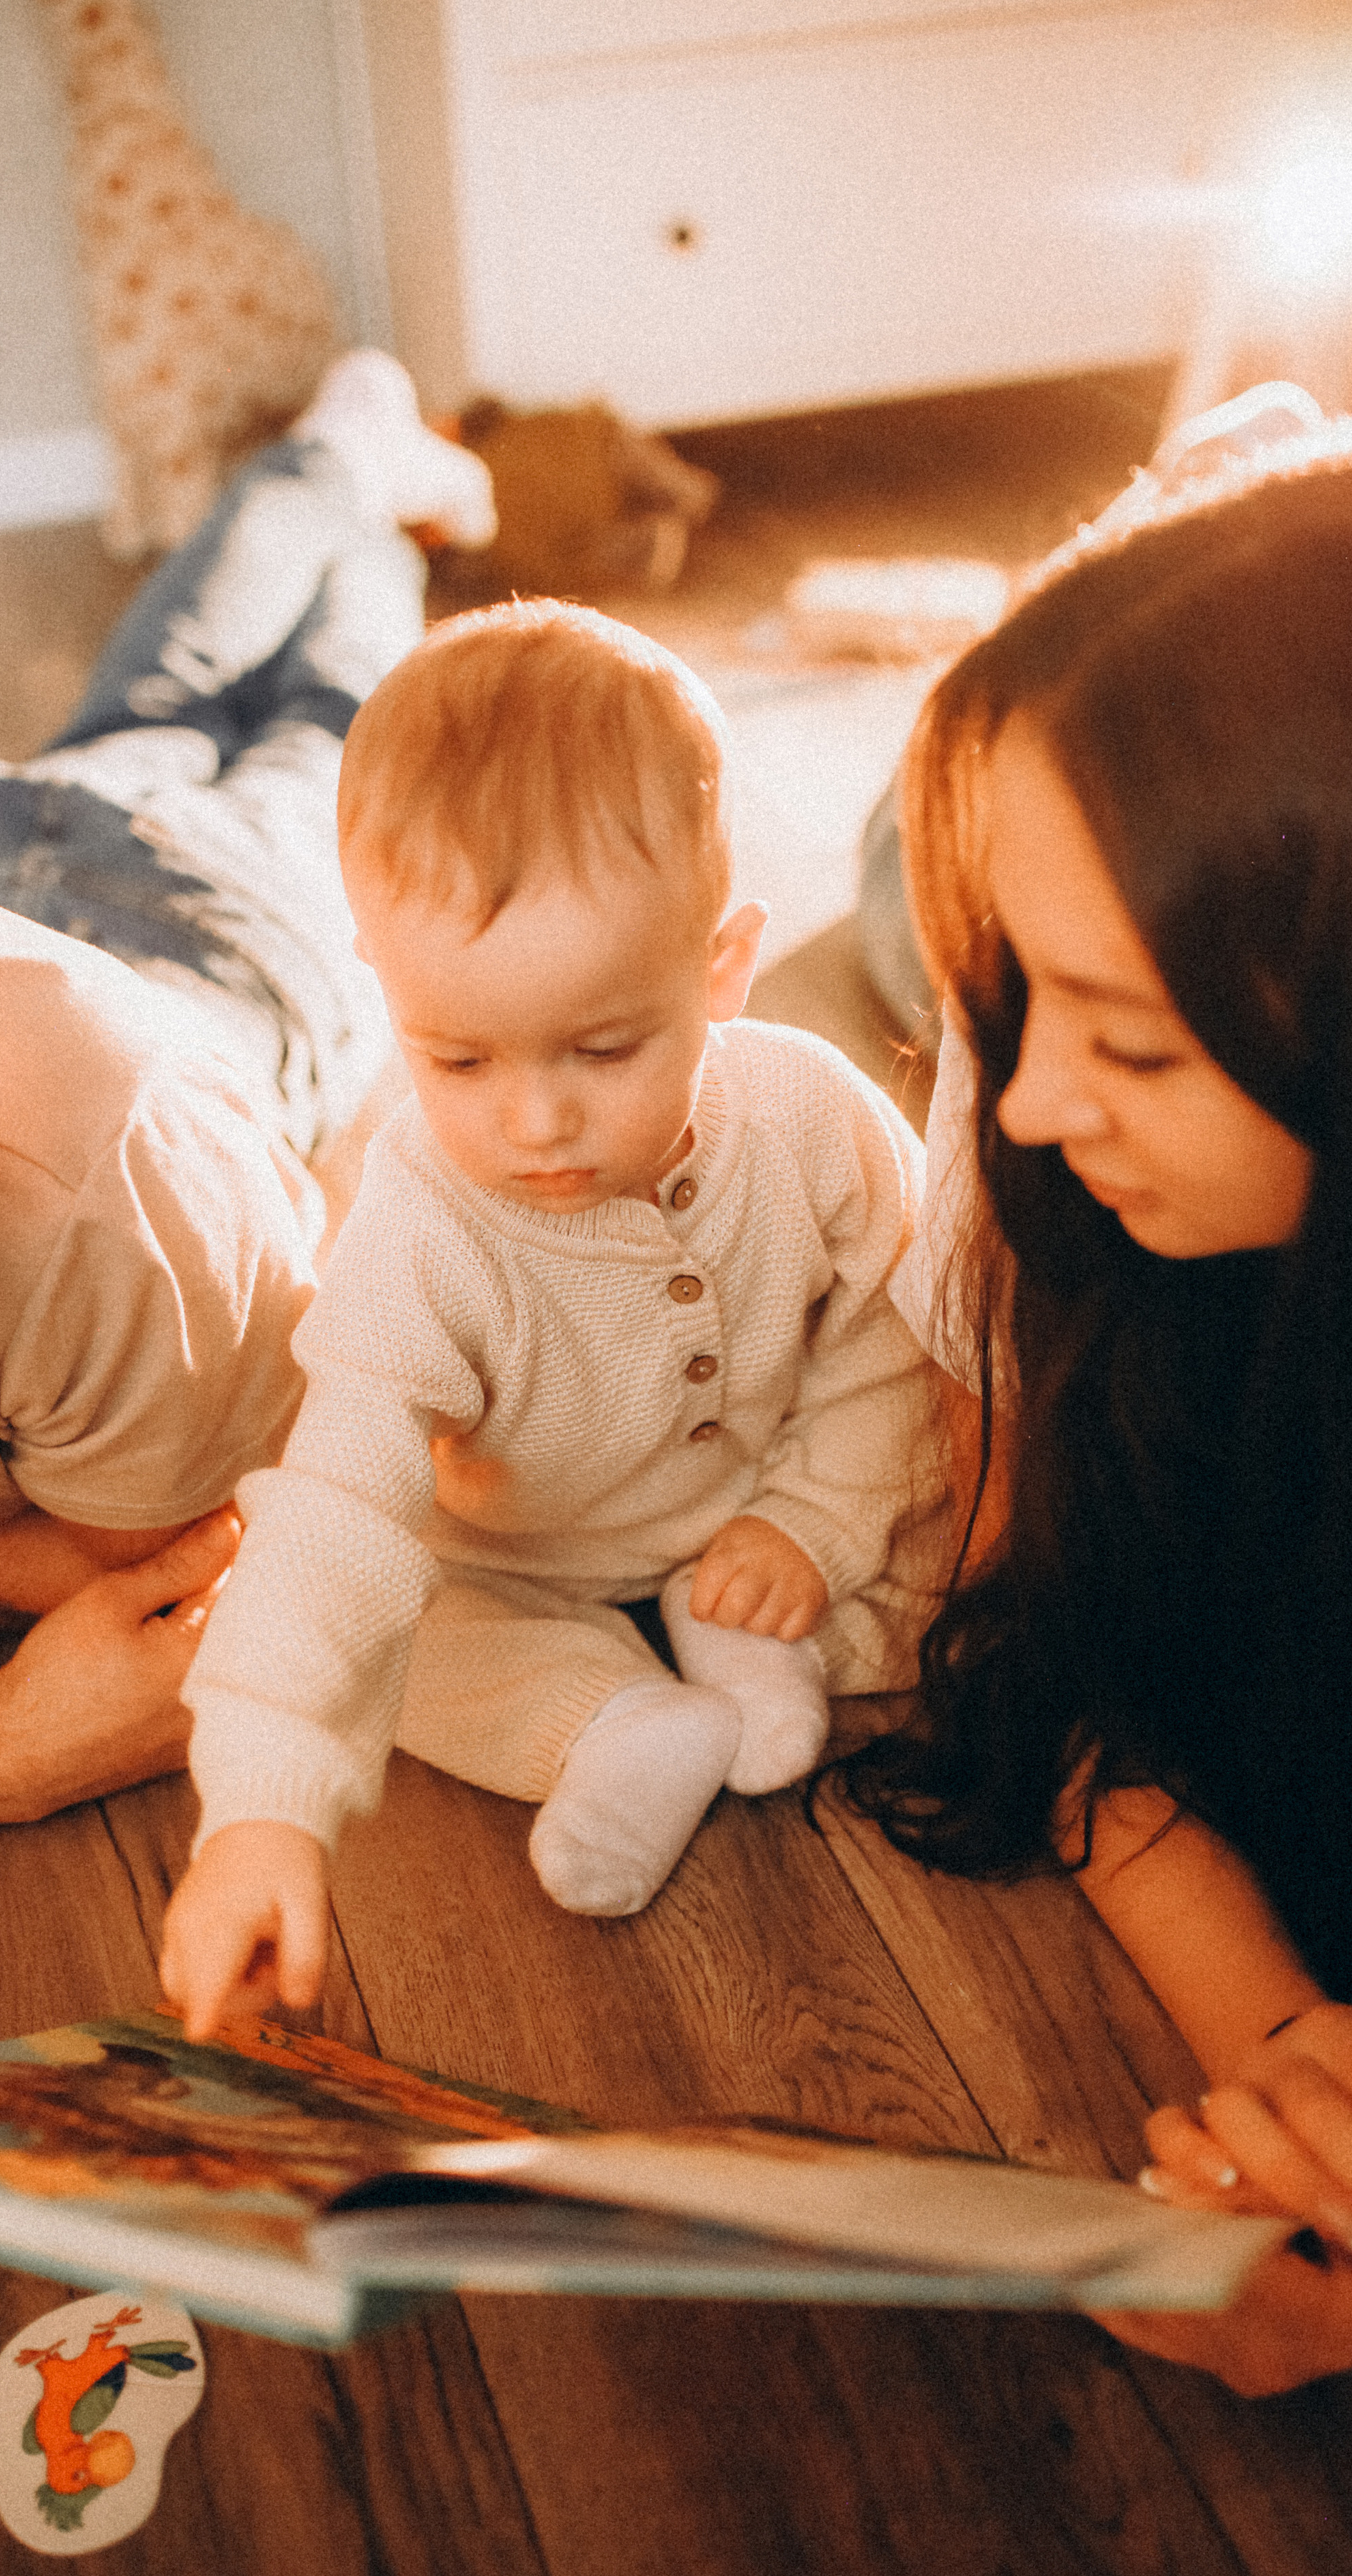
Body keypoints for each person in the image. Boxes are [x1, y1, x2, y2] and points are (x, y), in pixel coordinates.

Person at [0, 353, 495, 1827]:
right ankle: (329, 463)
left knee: (328, 729)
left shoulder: (131, 1198)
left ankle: (355, 484)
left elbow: (164, 1565)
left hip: (208, 931)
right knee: (154, 701)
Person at [846, 431, 1352, 2392]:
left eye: (1133, 1042)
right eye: (1029, 1011)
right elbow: (1046, 1643)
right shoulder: (1031, 1114)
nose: (1034, 1106)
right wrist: (1279, 2042)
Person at [158, 599, 952, 2037]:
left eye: (603, 1048)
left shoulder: (808, 1113)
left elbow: (893, 1332)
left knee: (935, 1553)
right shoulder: (417, 1231)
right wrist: (260, 1812)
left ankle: (756, 1627)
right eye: (454, 1057)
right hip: (508, 1561)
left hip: (752, 1497)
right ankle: (617, 1721)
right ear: (382, 989)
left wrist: (814, 1522)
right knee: (400, 1655)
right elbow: (336, 1512)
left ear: (720, 963)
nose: (534, 1122)